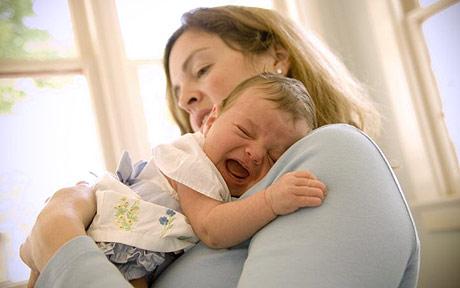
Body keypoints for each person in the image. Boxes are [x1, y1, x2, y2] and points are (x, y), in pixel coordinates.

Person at [20, 5, 418, 288]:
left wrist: (60, 241)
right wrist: (75, 203)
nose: (186, 99)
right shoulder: (202, 183)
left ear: (276, 59)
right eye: (179, 93)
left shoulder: (335, 154)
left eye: (202, 70)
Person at [86, 73, 325, 287]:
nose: (256, 153)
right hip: (117, 246)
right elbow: (212, 229)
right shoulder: (191, 161)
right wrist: (271, 200)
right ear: (211, 121)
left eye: (275, 157)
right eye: (244, 131)